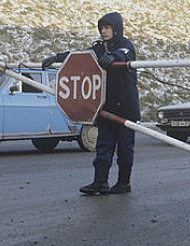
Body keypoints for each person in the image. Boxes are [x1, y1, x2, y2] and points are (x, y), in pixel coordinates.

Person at [42, 12, 139, 195]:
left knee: (125, 149)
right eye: (101, 28)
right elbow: (78, 56)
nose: (103, 31)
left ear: (116, 28)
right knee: (103, 146)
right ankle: (100, 182)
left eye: (107, 27)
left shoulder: (126, 46)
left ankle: (123, 183)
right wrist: (57, 58)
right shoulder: (98, 48)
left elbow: (124, 55)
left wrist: (114, 58)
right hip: (105, 106)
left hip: (126, 107)